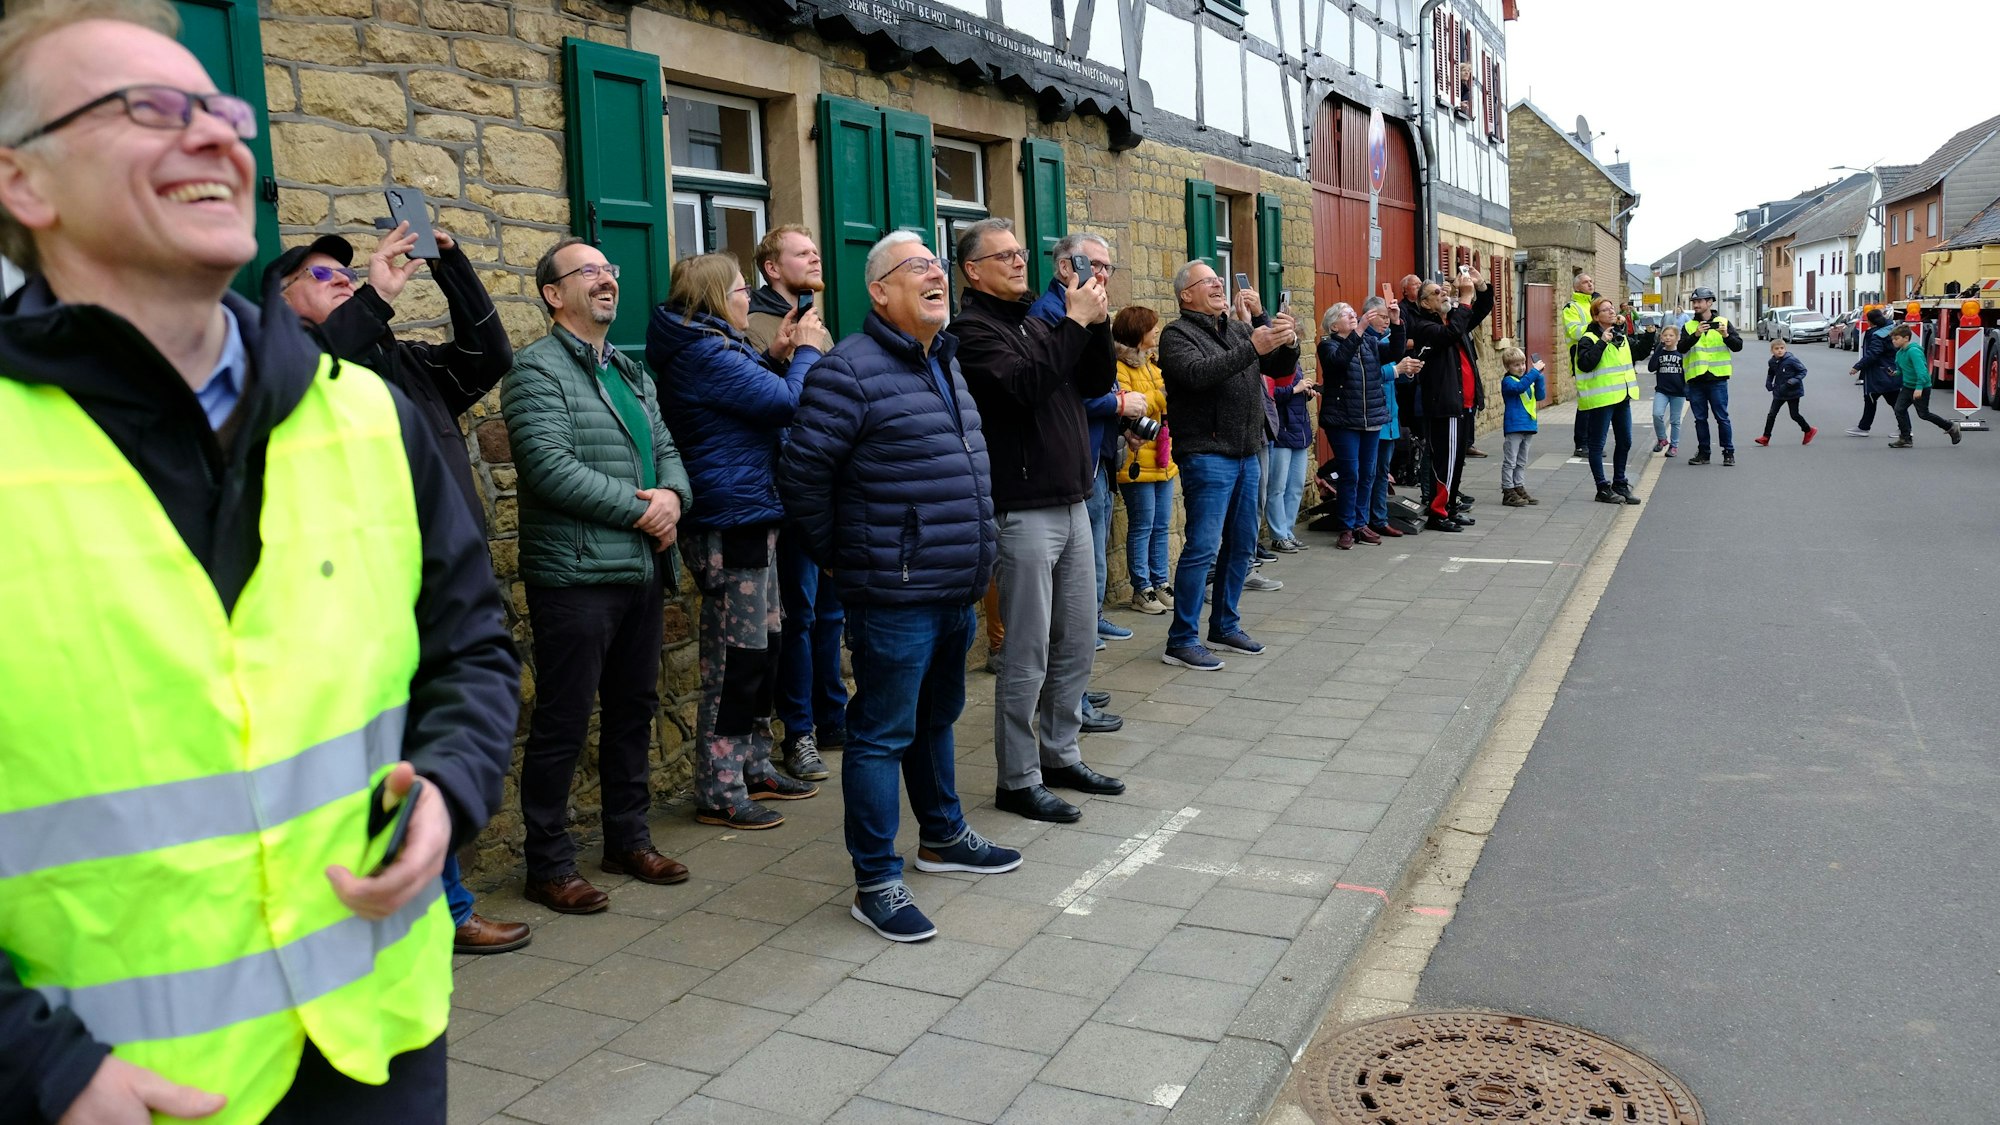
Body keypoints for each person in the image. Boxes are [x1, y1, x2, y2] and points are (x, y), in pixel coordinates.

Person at [0, 2, 520, 1119]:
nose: (214, 136)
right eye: (148, 109)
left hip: (377, 1052)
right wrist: (32, 1064)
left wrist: (449, 787)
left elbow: (471, 649)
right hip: (107, 1088)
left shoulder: (366, 417)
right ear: (22, 184)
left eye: (220, 109)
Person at [270, 225, 530, 957]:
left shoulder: (397, 362)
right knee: (394, 750)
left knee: (429, 745)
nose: (344, 281)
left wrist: (450, 265)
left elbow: (490, 357)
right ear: (281, 298)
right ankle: (434, 908)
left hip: (437, 587)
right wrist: (377, 300)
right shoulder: (286, 362)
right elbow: (308, 378)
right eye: (323, 276)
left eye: (347, 275)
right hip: (357, 596)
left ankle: (440, 903)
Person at [778, 231, 1021, 941]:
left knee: (937, 717)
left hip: (954, 585)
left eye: (938, 266)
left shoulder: (943, 361)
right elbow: (800, 478)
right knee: (880, 734)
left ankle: (942, 836)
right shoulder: (847, 372)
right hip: (893, 591)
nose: (936, 274)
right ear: (879, 290)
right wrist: (849, 559)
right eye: (918, 266)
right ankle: (876, 879)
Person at [503, 238, 695, 914]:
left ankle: (627, 839)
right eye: (589, 272)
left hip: (640, 570)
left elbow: (666, 447)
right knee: (563, 719)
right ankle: (548, 864)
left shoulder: (629, 368)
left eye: (610, 270)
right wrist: (646, 514)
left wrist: (673, 496)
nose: (607, 280)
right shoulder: (534, 371)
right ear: (554, 294)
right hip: (577, 576)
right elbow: (549, 469)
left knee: (632, 709)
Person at [648, 251, 831, 829]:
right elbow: (784, 404)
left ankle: (754, 766)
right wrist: (804, 354)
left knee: (766, 646)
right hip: (730, 518)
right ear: (712, 299)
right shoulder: (702, 351)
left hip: (752, 512)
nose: (747, 299)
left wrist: (777, 355)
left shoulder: (715, 345)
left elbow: (756, 397)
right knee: (734, 658)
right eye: (739, 291)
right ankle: (721, 788)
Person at [954, 219, 1126, 824]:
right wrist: (1075, 322)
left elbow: (1094, 381)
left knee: (1076, 642)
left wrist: (1096, 325)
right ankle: (1017, 778)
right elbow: (1026, 387)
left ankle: (1059, 752)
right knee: (1026, 652)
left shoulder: (1036, 319)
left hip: (1073, 498)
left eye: (1021, 252)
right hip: (1023, 509)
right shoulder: (972, 332)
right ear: (972, 270)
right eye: (1003, 256)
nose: (1018, 262)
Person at [1156, 259, 1301, 670]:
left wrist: (1279, 335)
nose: (1220, 284)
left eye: (1220, 280)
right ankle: (1181, 639)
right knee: (1203, 547)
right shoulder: (1176, 334)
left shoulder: (1237, 328)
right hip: (1207, 454)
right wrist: (1252, 346)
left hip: (1247, 452)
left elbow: (1281, 369)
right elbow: (1198, 375)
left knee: (1241, 546)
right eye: (1209, 281)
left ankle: (1224, 624)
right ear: (1186, 294)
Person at [743, 225, 849, 780]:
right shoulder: (758, 327)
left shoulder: (814, 323)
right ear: (772, 269)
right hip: (789, 490)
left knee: (831, 612)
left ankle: (833, 717)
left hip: (830, 487)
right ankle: (799, 733)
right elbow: (785, 406)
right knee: (800, 617)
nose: (815, 256)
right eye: (802, 252)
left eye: (815, 247)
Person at [1026, 233, 1138, 729]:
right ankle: (1065, 703)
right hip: (1069, 465)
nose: (1103, 275)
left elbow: (1095, 379)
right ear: (1064, 267)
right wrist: (1117, 404)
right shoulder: (1052, 316)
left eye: (1108, 267)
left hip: (1092, 458)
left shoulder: (1088, 313)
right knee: (1067, 600)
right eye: (1094, 264)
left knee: (1082, 592)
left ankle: (1074, 690)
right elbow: (1064, 391)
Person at [1407, 271, 1493, 531]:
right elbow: (1452, 333)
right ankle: (1438, 512)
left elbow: (1483, 308)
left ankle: (1450, 507)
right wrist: (1465, 298)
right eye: (1436, 292)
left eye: (1444, 290)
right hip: (1444, 404)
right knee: (1444, 460)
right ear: (1424, 303)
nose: (1443, 293)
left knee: (1456, 462)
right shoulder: (1425, 326)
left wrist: (1480, 286)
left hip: (1462, 403)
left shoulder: (1454, 320)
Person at [1114, 305, 1178, 611]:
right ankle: (1142, 589)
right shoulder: (1121, 368)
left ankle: (1161, 581)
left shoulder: (1153, 365)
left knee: (1161, 525)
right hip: (1137, 459)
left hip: (1163, 458)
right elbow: (1130, 407)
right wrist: (1162, 395)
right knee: (1142, 525)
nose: (1157, 331)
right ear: (1138, 333)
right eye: (1151, 327)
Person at [1317, 301, 1385, 549]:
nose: (1353, 317)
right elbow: (1339, 362)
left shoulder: (1368, 342)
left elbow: (1394, 352)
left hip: (1370, 417)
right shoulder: (1327, 345)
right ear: (1334, 325)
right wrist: (1360, 330)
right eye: (1347, 315)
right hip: (1343, 419)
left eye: (1353, 314)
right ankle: (1346, 526)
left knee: (1367, 473)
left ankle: (1360, 523)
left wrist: (1397, 324)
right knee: (1351, 473)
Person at [1573, 297, 1650, 505]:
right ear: (1596, 316)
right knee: (1597, 445)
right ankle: (1602, 487)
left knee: (1625, 441)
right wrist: (1602, 342)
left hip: (1622, 397)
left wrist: (1650, 336)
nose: (1610, 312)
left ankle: (1620, 483)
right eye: (1605, 310)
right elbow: (1586, 364)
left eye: (1611, 308)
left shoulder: (1620, 335)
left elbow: (1640, 353)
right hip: (1601, 400)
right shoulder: (1588, 338)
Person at [1361, 295, 1421, 539]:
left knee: (1382, 471)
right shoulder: (1362, 340)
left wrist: (1408, 371)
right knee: (1367, 472)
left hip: (1389, 415)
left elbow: (1395, 362)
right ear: (1370, 316)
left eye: (1389, 318)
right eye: (1383, 318)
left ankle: (1379, 517)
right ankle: (1363, 519)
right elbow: (1367, 374)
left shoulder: (1386, 340)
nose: (1386, 322)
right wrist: (1396, 370)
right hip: (1371, 416)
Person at [1677, 286, 1740, 466]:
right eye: (1694, 302)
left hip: (1717, 379)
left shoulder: (1722, 322)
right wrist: (1696, 334)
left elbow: (1738, 346)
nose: (1696, 305)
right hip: (1696, 380)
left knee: (1722, 417)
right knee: (1700, 419)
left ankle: (1728, 452)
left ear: (1709, 302)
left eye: (1699, 301)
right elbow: (1681, 348)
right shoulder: (1689, 326)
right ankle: (1704, 452)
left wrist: (1726, 335)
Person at [1264, 355, 1316, 551]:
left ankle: (1288, 531)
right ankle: (1278, 535)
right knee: (1277, 487)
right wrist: (1295, 389)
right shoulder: (1271, 362)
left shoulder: (1295, 362)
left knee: (1295, 486)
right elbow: (1268, 393)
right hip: (1281, 431)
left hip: (1299, 431)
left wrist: (1306, 391)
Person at [1888, 324, 1961, 448]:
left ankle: (1950, 427)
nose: (1894, 341)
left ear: (1906, 338)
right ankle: (1906, 438)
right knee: (1899, 410)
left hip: (1920, 387)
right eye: (1893, 339)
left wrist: (1919, 387)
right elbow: (1903, 369)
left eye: (1897, 338)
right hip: (1908, 386)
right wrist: (1895, 373)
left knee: (1923, 414)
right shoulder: (1900, 353)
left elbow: (1922, 371)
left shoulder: (1913, 351)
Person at [1499, 347, 1545, 506]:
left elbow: (1541, 396)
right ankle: (1508, 489)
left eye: (1522, 364)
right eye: (1516, 365)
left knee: (1521, 461)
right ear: (1507, 368)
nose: (1521, 368)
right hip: (1514, 426)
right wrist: (1533, 373)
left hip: (1528, 425)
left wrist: (1539, 377)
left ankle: (1518, 486)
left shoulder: (1528, 379)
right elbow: (1518, 389)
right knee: (1510, 461)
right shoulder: (1508, 381)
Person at [1561, 269, 1596, 459]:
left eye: (1591, 281)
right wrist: (1596, 327)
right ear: (1576, 287)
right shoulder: (1571, 307)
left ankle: (1592, 442)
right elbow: (1574, 331)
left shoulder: (1594, 304)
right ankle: (1581, 444)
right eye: (1585, 282)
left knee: (1594, 404)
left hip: (1597, 359)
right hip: (1581, 359)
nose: (1590, 284)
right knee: (1584, 404)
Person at [1754, 339, 1817, 447]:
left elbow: (1803, 371)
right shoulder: (1772, 361)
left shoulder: (1791, 360)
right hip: (1779, 392)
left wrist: (1794, 380)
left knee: (1794, 415)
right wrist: (1769, 382)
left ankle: (1808, 430)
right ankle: (1766, 437)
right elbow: (1771, 372)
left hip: (1793, 392)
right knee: (1771, 415)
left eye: (1782, 348)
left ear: (1785, 349)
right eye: (1776, 349)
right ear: (1772, 351)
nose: (1779, 351)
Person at [1846, 307, 1897, 437]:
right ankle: (1864, 427)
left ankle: (1905, 429)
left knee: (1881, 399)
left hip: (1878, 374)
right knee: (1885, 400)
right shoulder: (1890, 329)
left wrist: (1858, 366)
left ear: (1872, 322)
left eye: (1868, 321)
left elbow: (1873, 354)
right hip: (1887, 371)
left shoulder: (1877, 335)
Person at [1648, 325, 1686, 456]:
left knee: (1675, 420)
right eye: (1665, 335)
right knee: (1657, 414)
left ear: (1677, 338)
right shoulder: (1660, 351)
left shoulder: (1681, 353)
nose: (1668, 338)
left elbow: (1686, 373)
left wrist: (1688, 390)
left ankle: (1674, 446)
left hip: (1678, 393)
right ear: (1661, 337)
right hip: (1662, 391)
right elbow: (1651, 367)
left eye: (1671, 335)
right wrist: (1659, 348)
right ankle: (1662, 439)